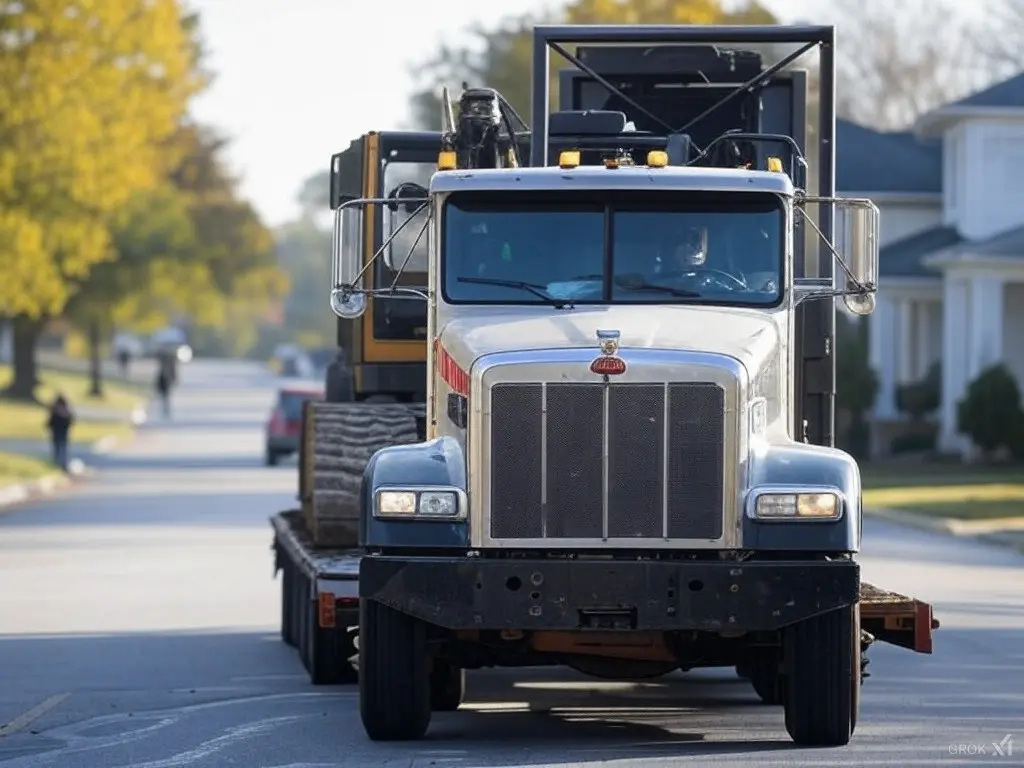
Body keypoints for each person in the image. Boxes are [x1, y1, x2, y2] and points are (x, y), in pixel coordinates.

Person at [46, 395, 75, 472]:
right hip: (64, 433)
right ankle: (63, 464)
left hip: (56, 433)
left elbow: (50, 422)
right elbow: (71, 421)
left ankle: (57, 463)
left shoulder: (54, 410)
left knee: (57, 448)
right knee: (63, 449)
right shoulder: (67, 411)